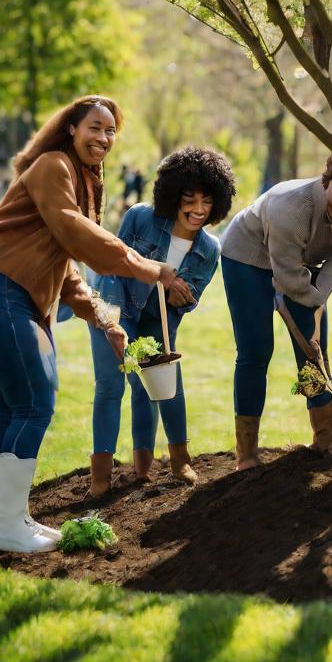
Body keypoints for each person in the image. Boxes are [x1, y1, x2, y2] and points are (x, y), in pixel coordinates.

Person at [0, 95, 178, 553]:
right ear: (72, 129)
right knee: (36, 401)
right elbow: (73, 230)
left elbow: (67, 263)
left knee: (4, 404)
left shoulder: (79, 180)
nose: (104, 138)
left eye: (111, 131)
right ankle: (5, 523)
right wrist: (144, 265)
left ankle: (3, 519)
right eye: (95, 127)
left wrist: (104, 319)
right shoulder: (54, 166)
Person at [87, 146, 236, 497]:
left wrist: (180, 299)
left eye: (207, 202)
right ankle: (102, 474)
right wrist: (113, 322)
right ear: (173, 196)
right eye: (190, 200)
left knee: (161, 382)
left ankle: (170, 461)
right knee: (111, 385)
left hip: (158, 317)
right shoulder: (141, 217)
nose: (198, 210)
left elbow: (187, 301)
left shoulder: (210, 248)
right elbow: (112, 264)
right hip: (114, 304)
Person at [220, 153, 332, 470]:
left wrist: (319, 300)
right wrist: (310, 296)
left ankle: (328, 439)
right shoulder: (290, 207)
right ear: (326, 180)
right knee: (256, 349)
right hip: (247, 259)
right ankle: (247, 453)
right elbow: (290, 279)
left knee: (314, 350)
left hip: (298, 265)